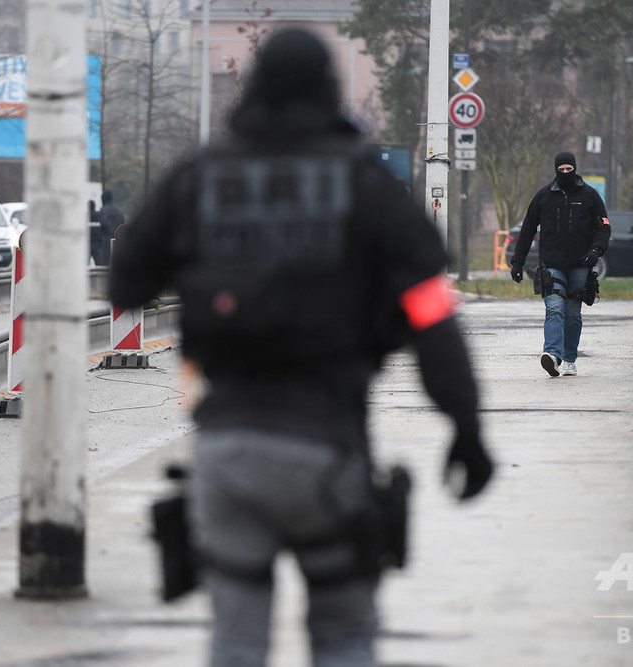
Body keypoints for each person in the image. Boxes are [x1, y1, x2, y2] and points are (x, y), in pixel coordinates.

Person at [109, 29, 492, 667]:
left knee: (235, 643)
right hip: (327, 447)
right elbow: (432, 311)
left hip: (227, 449)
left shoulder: (201, 176)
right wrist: (466, 426)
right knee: (344, 635)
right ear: (328, 92)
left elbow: (127, 284)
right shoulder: (365, 184)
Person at [509, 151, 611, 377]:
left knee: (572, 314)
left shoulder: (590, 196)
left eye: (569, 169)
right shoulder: (543, 197)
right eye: (561, 169)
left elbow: (604, 228)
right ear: (555, 170)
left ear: (575, 168)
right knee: (554, 308)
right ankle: (552, 355)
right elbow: (527, 230)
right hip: (551, 264)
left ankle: (569, 359)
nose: (565, 173)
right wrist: (517, 262)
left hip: (580, 265)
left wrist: (596, 251)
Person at [97, 189, 125, 263]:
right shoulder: (118, 210)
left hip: (106, 239)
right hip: (117, 239)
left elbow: (103, 223)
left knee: (105, 262)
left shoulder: (103, 210)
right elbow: (122, 223)